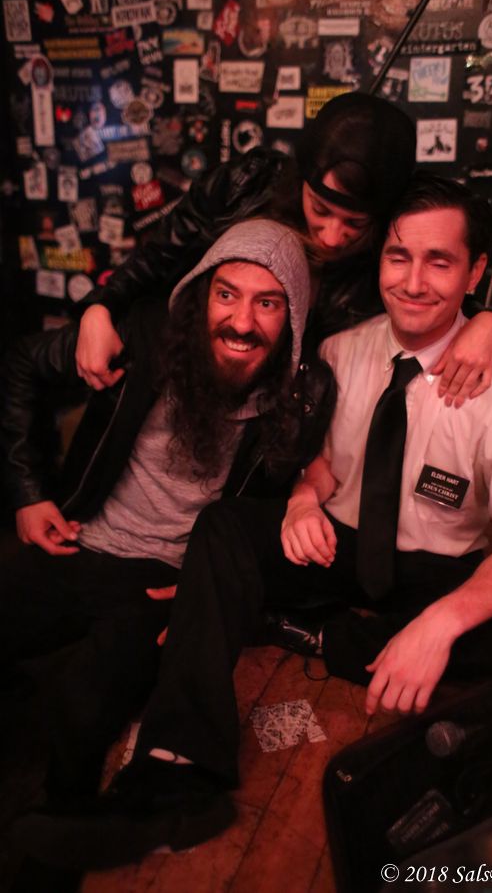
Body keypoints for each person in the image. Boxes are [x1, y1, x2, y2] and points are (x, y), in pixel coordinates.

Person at [12, 175, 492, 872]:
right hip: (336, 548)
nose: (414, 281)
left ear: (475, 274)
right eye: (399, 257)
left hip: (435, 569)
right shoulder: (338, 352)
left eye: (440, 261)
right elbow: (320, 463)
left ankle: (307, 633)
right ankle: (178, 774)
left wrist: (438, 625)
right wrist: (303, 498)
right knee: (224, 526)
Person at [0, 219, 332, 813]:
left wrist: (206, 596)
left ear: (295, 319)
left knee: (81, 702)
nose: (241, 322)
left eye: (268, 304)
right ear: (202, 295)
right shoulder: (144, 337)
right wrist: (28, 493)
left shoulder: (303, 396)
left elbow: (292, 501)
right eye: (227, 294)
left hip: (165, 580)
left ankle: (59, 839)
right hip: (81, 538)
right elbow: (23, 363)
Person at [74, 92, 492, 406]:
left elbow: (437, 294)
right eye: (320, 209)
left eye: (355, 223)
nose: (332, 236)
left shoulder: (386, 249)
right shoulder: (243, 185)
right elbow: (157, 258)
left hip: (280, 423)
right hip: (189, 386)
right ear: (300, 181)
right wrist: (99, 307)